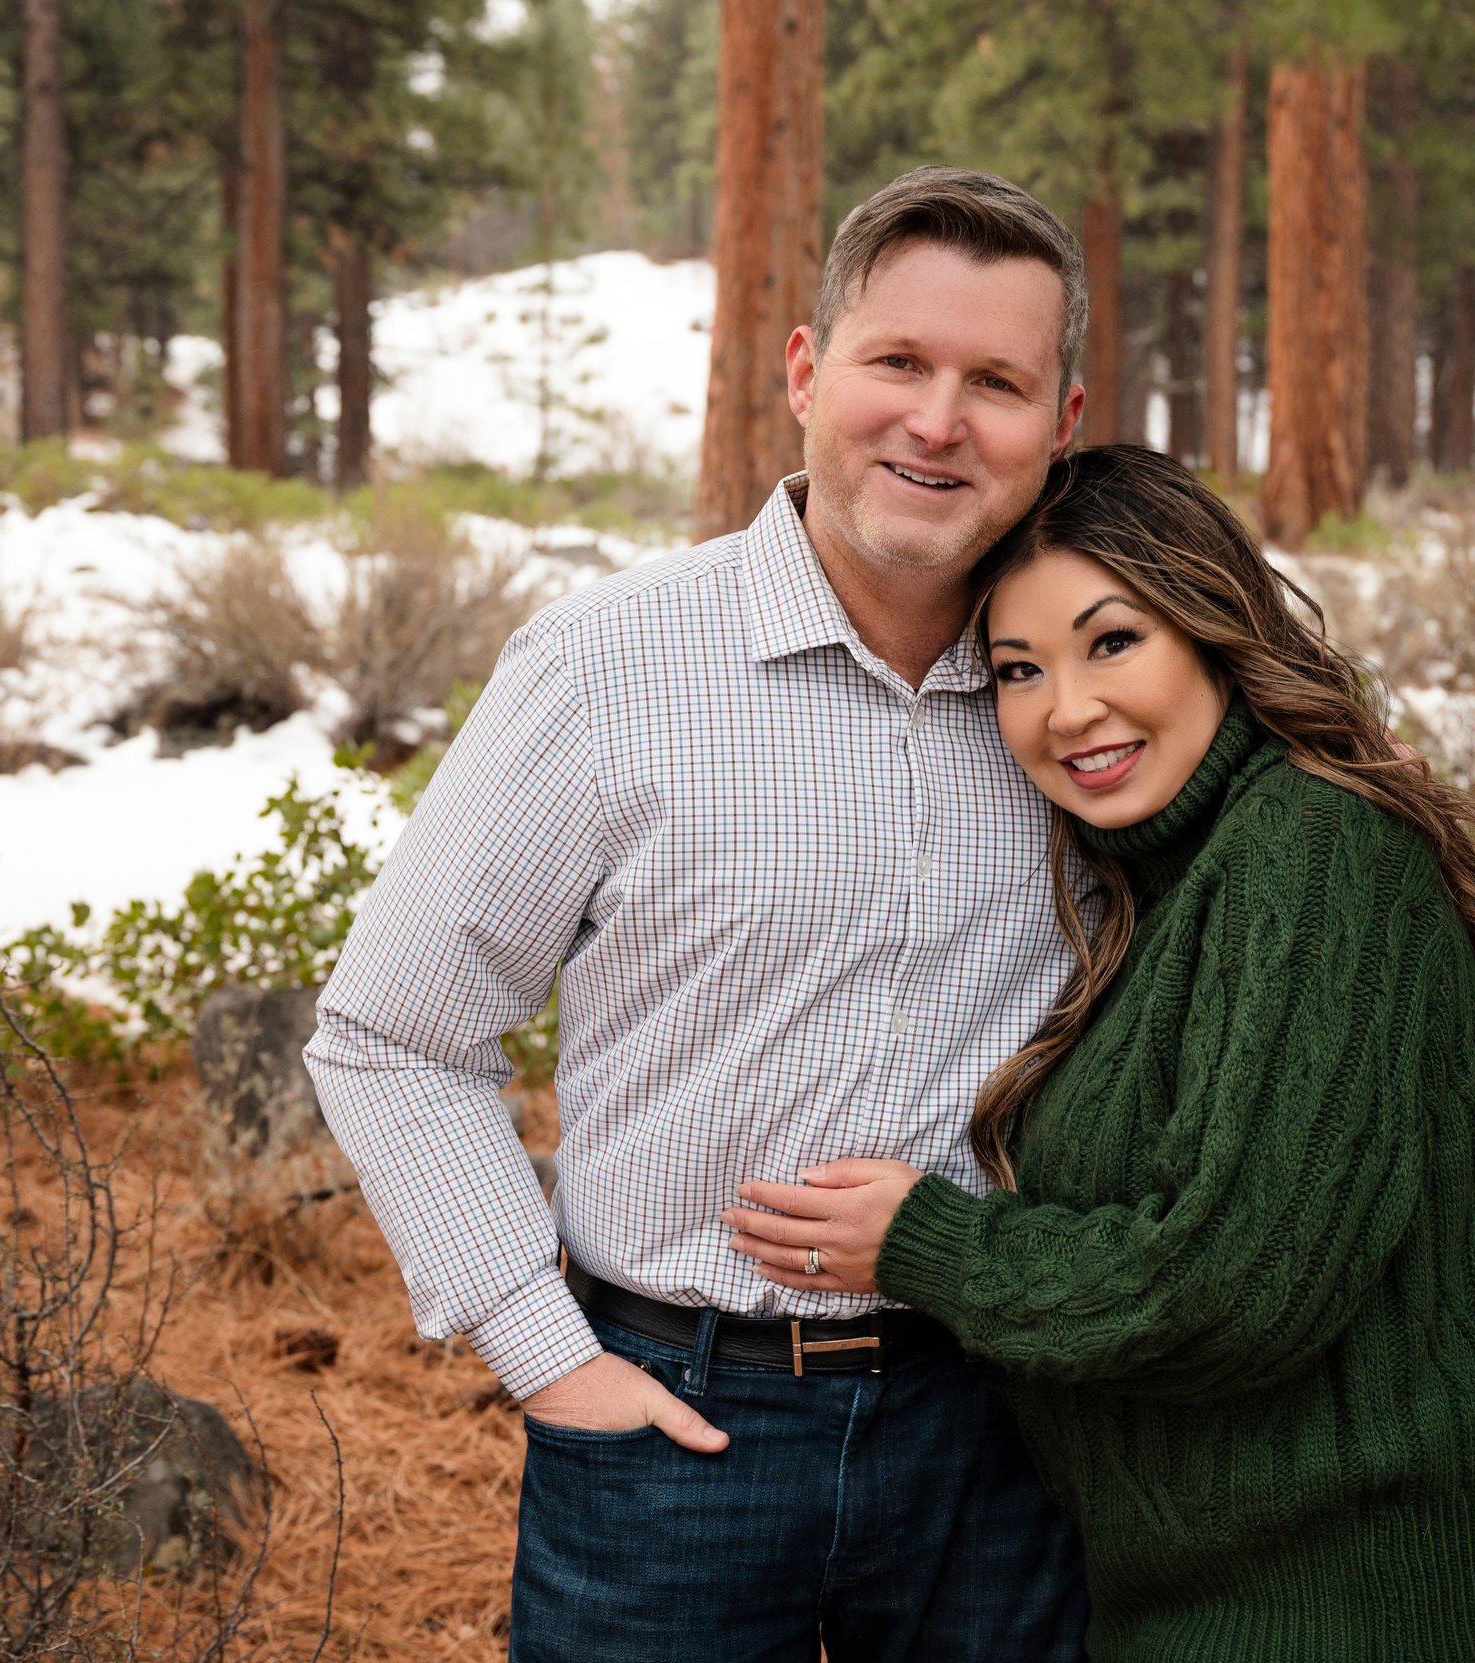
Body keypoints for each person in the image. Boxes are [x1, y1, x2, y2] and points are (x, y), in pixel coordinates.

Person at [304, 167, 1097, 1660]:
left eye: (994, 382)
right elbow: (392, 1033)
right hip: (675, 1424)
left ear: (1060, 422)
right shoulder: (604, 666)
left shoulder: (1102, 699)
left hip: (1002, 1431)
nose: (937, 421)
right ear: (805, 372)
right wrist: (549, 1358)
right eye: (898, 361)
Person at [723, 445, 1475, 1663]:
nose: (1066, 709)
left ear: (1213, 630)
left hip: (1339, 1618)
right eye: (1017, 669)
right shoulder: (1171, 877)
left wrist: (924, 1243)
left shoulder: (1312, 851)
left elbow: (1233, 1289)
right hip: (1201, 1606)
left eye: (1112, 642)